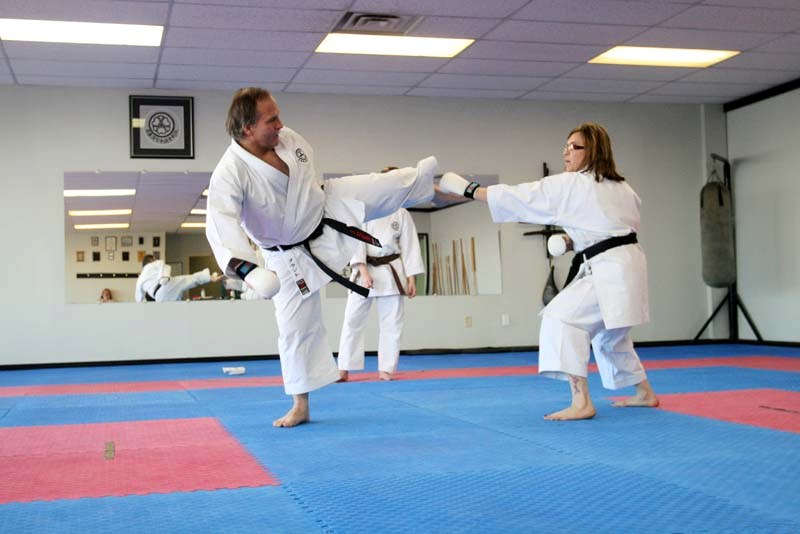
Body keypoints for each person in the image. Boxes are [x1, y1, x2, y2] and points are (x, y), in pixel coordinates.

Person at [205, 87, 440, 428]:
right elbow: (220, 224)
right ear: (247, 129)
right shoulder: (229, 173)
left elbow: (307, 180)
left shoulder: (289, 140)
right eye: (271, 120)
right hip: (285, 256)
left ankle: (426, 180)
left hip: (324, 211)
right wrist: (246, 268)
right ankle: (301, 405)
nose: (281, 125)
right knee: (295, 330)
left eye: (278, 115)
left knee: (377, 185)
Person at [439, 122, 658, 421]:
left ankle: (581, 401)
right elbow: (613, 228)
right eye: (565, 146)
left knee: (561, 318)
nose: (567, 152)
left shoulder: (571, 184)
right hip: (627, 265)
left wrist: (470, 189)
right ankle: (644, 392)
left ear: (594, 150)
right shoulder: (622, 187)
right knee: (610, 337)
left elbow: (521, 196)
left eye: (575, 147)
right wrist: (572, 241)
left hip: (608, 269)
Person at [337, 170, 424, 381]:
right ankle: (344, 368)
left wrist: (411, 278)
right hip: (363, 270)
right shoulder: (365, 209)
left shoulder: (402, 213)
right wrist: (363, 269)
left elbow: (409, 245)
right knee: (352, 320)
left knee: (392, 322)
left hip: (391, 271)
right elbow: (355, 239)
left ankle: (387, 368)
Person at [135, 254, 223, 302]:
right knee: (189, 279)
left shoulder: (140, 279)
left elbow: (138, 298)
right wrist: (164, 277)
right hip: (165, 285)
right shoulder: (154, 263)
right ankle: (212, 277)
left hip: (159, 297)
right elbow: (165, 266)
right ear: (152, 259)